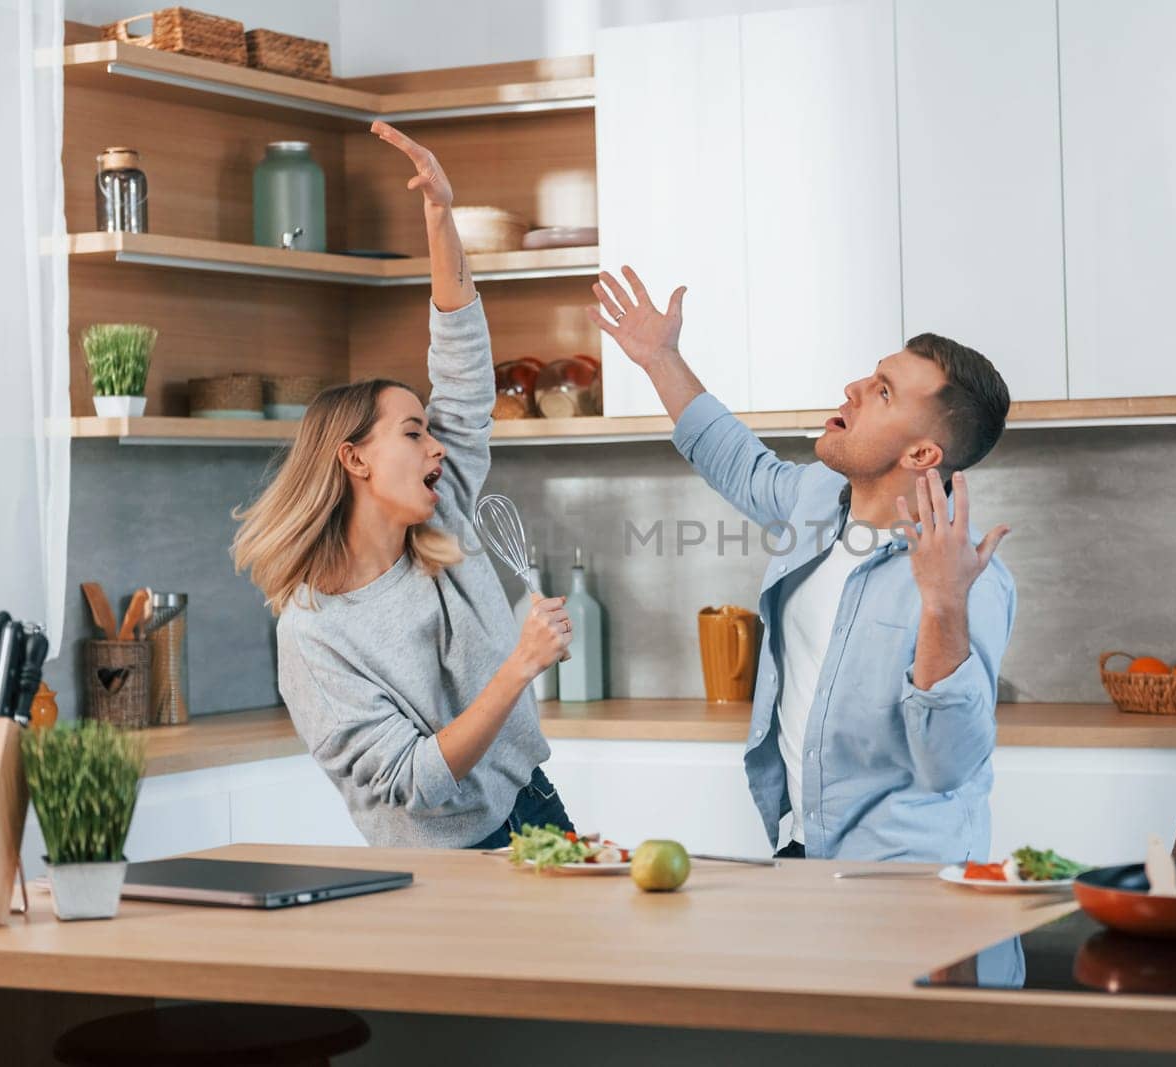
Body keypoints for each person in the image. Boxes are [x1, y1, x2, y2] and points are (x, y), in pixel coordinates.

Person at [589, 268, 1014, 863]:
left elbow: (947, 764)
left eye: (883, 391)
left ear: (922, 454)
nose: (854, 387)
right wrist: (661, 358)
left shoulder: (970, 579)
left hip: (910, 887)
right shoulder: (814, 499)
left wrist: (944, 606)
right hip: (807, 857)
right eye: (872, 375)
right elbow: (734, 458)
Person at [232, 123, 575, 850]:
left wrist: (441, 219)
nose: (438, 446)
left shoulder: (444, 514)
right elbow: (416, 779)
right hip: (447, 863)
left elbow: (461, 367)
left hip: (535, 806)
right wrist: (521, 664)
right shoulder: (314, 632)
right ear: (354, 459)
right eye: (414, 431)